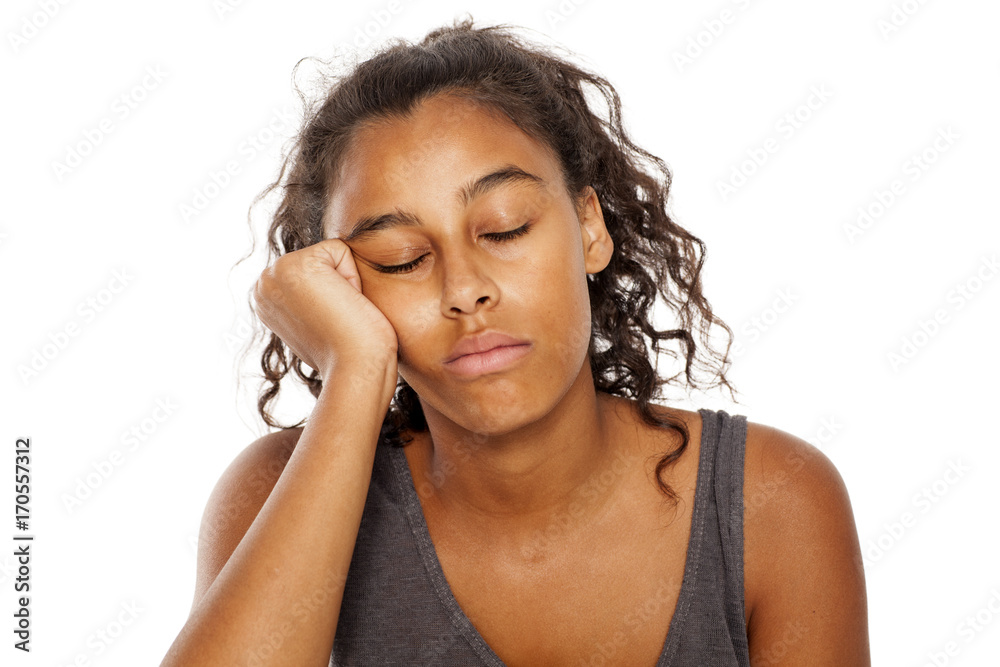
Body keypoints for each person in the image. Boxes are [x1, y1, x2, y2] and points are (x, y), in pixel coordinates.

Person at [161, 16, 869, 666]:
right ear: (342, 285)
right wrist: (353, 371)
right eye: (401, 257)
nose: (464, 288)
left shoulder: (775, 504)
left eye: (503, 229)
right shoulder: (274, 492)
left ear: (589, 228)